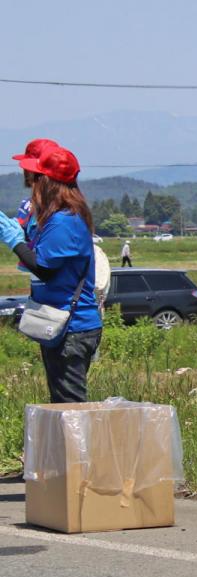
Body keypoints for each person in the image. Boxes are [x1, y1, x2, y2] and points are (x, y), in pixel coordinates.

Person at [0, 145, 102, 402]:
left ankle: (79, 433)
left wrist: (15, 240)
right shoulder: (60, 218)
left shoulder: (64, 221)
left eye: (34, 178)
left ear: (46, 182)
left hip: (71, 327)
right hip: (62, 323)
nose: (30, 184)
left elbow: (43, 268)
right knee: (62, 403)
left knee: (70, 407)